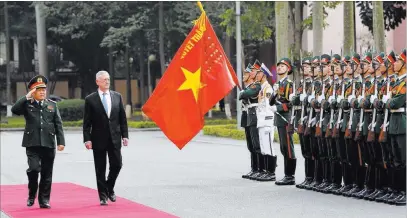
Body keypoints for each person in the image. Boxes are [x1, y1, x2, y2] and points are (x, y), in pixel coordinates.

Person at [11, 75, 65, 209]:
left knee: (47, 173)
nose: (42, 92)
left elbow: (58, 124)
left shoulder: (52, 105)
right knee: (34, 170)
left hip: (48, 143)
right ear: (32, 91)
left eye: (43, 90)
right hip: (32, 143)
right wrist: (26, 97)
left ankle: (44, 200)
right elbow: (14, 110)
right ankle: (31, 194)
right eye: (38, 89)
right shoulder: (27, 104)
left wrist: (61, 142)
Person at [83, 70, 129, 206]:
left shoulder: (117, 97)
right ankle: (103, 196)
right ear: (97, 82)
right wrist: (87, 139)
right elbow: (87, 122)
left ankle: (109, 187)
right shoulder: (90, 99)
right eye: (104, 80)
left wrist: (125, 135)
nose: (107, 82)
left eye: (108, 79)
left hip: (115, 137)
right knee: (100, 169)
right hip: (98, 139)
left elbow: (122, 119)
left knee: (117, 164)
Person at [381, 49, 406, 205]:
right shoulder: (397, 81)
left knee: (403, 160)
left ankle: (403, 191)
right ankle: (396, 190)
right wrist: (389, 102)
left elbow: (396, 102)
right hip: (394, 122)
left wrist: (388, 102)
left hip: (402, 123)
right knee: (395, 159)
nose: (394, 63)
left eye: (397, 61)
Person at [269, 57, 296, 185]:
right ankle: (287, 175)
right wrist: (273, 94)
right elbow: (271, 101)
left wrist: (278, 107)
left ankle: (290, 176)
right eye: (278, 66)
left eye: (283, 66)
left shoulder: (289, 84)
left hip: (286, 117)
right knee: (283, 148)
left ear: (288, 69)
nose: (279, 68)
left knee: (288, 147)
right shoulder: (278, 84)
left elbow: (291, 103)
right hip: (279, 118)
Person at [292, 57, 314, 189]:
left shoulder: (314, 84)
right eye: (303, 67)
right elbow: (296, 101)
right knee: (305, 150)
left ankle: (316, 177)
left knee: (313, 150)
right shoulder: (302, 83)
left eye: (307, 66)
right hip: (302, 119)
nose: (305, 69)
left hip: (311, 118)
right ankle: (308, 177)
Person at [239, 60, 263, 181]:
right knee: (250, 145)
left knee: (256, 144)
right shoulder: (249, 87)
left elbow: (248, 94)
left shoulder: (256, 85)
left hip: (254, 116)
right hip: (247, 116)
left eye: (245, 74)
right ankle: (254, 169)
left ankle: (260, 169)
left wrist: (243, 92)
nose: (243, 77)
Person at [255, 63, 277, 181]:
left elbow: (269, 106)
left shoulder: (268, 88)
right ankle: (266, 171)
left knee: (269, 146)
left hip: (267, 121)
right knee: (264, 147)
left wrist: (268, 121)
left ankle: (271, 172)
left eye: (258, 73)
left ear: (263, 74)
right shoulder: (262, 88)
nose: (256, 76)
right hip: (261, 121)